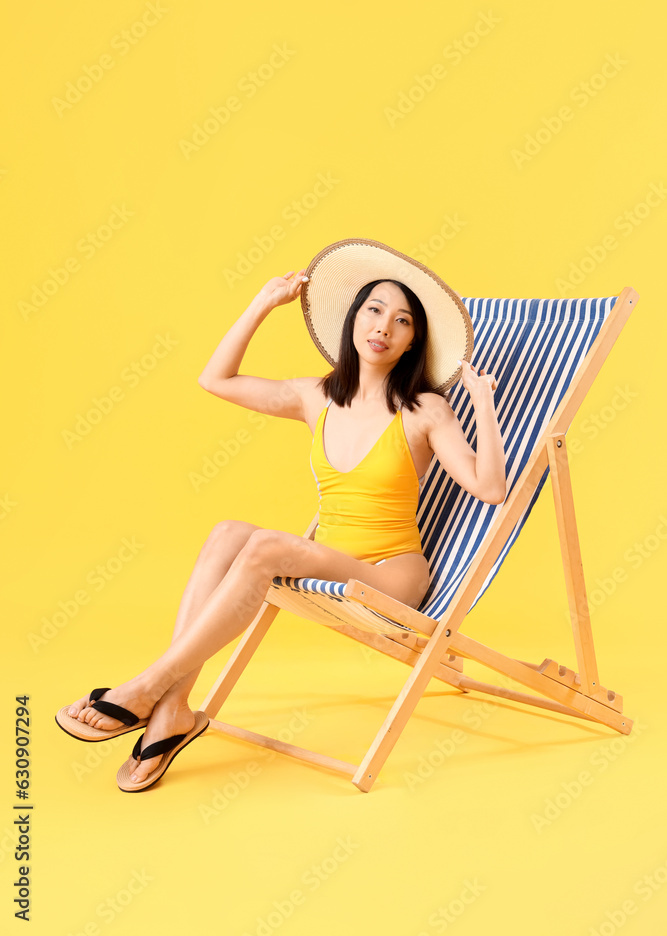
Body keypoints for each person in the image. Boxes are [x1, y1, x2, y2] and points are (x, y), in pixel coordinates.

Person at [55, 247, 506, 792]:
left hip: (392, 575)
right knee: (227, 533)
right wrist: (263, 302)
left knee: (268, 548)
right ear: (353, 319)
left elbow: (491, 488)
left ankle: (148, 685)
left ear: (413, 341)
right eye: (373, 310)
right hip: (332, 559)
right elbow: (215, 380)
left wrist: (481, 401)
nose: (384, 326)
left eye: (403, 320)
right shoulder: (315, 396)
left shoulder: (425, 409)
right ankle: (172, 710)